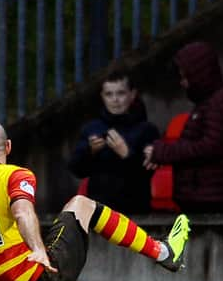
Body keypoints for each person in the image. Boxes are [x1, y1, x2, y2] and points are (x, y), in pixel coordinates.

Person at [0, 120, 190, 281]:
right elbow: (22, 212)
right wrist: (38, 250)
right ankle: (163, 252)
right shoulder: (15, 175)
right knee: (81, 205)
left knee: (55, 275)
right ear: (8, 147)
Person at [143, 41, 223, 213]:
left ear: (200, 75)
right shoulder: (207, 104)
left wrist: (163, 153)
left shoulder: (218, 103)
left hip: (212, 201)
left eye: (185, 77)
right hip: (201, 197)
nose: (183, 83)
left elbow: (210, 146)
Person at [68, 70, 160, 213]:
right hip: (99, 211)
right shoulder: (92, 128)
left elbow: (148, 174)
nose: (115, 100)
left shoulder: (147, 130)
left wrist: (127, 154)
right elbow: (76, 169)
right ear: (102, 97)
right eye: (109, 94)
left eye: (121, 93)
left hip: (136, 210)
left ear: (132, 94)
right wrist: (90, 151)